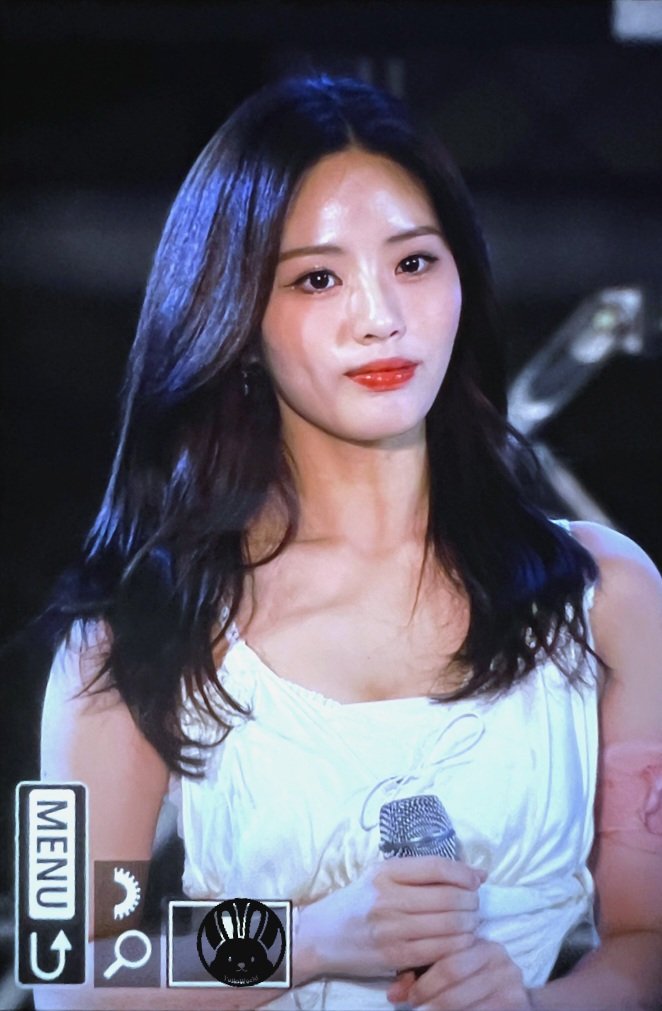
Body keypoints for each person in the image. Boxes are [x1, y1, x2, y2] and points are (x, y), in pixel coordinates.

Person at [36, 74, 661, 1011]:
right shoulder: (129, 634)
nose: (380, 315)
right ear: (238, 315)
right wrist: (308, 939)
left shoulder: (608, 594)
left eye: (413, 262)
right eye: (317, 278)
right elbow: (61, 965)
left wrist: (534, 1005)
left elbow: (648, 941)